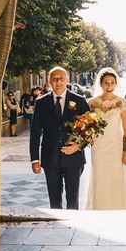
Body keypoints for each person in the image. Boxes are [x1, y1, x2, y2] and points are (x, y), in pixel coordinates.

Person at [30, 67, 90, 209]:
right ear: (49, 81)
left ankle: (73, 226)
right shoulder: (41, 103)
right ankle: (56, 227)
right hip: (50, 158)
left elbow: (90, 129)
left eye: (61, 78)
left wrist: (78, 146)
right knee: (54, 200)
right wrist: (34, 159)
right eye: (54, 79)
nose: (58, 82)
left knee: (73, 199)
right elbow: (35, 133)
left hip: (74, 158)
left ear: (67, 80)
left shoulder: (79, 101)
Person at [84, 68, 126, 210]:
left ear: (116, 84)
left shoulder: (122, 103)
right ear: (100, 84)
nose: (109, 86)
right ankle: (99, 209)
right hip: (98, 148)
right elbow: (87, 126)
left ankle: (118, 209)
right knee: (100, 178)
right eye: (106, 83)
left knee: (116, 178)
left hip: (115, 147)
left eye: (112, 83)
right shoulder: (92, 103)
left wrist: (125, 152)